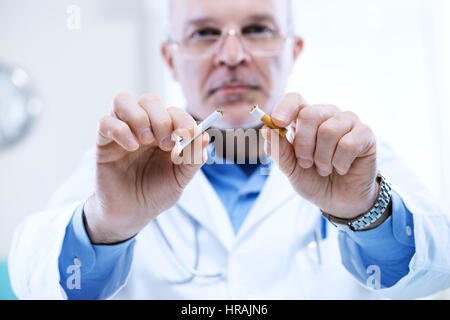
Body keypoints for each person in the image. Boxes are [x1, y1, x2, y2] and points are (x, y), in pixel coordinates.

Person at [9, 0, 450, 299]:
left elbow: (437, 265)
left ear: (293, 49)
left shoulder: (353, 158)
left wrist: (364, 211)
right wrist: (108, 225)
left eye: (258, 29)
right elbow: (37, 276)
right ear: (170, 58)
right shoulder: (121, 163)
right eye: (204, 33)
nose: (233, 55)